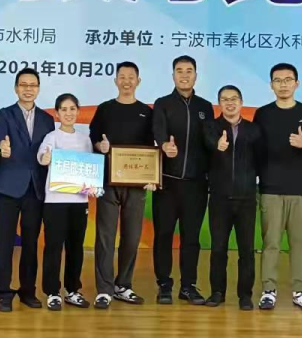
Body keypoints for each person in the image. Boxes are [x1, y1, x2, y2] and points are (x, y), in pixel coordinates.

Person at [255, 63, 302, 312]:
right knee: (271, 243)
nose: (283, 84)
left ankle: (300, 291)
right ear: (271, 85)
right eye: (278, 80)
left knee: (300, 244)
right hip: (271, 188)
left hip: (301, 189)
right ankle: (268, 290)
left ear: (297, 83)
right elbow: (255, 150)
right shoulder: (263, 114)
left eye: (288, 80)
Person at [89, 61, 156, 309]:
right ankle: (104, 289)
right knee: (105, 236)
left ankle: (123, 285)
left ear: (138, 81)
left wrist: (151, 175)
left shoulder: (147, 112)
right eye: (122, 76)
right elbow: (94, 139)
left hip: (136, 184)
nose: (126, 81)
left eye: (131, 77)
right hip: (108, 181)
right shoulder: (105, 109)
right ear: (115, 80)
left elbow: (151, 148)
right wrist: (101, 146)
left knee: (132, 236)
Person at [0, 68, 53, 312]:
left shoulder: (47, 119)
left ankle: (28, 291)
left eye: (32, 85)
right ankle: (4, 293)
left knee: (30, 243)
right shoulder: (5, 114)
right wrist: (2, 146)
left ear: (38, 88)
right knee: (5, 242)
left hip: (35, 188)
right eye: (23, 85)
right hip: (8, 186)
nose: (28, 89)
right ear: (16, 88)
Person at [152, 55, 214, 305]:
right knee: (164, 234)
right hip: (167, 183)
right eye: (179, 71)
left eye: (189, 71)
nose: (184, 75)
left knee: (191, 237)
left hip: (196, 184)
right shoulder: (163, 104)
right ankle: (164, 285)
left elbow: (209, 142)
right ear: (173, 75)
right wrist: (164, 145)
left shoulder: (205, 107)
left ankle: (188, 286)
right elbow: (158, 131)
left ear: (196, 76)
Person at [203, 85, 262, 311]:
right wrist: (217, 146)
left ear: (241, 102)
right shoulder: (211, 126)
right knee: (218, 248)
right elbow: (207, 144)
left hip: (246, 199)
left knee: (246, 250)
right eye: (225, 99)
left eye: (234, 99)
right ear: (219, 103)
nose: (230, 103)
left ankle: (245, 295)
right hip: (219, 198)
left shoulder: (253, 130)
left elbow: (261, 159)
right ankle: (217, 292)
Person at [37, 94, 94, 311]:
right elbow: (42, 157)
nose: (68, 113)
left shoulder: (85, 139)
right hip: (55, 202)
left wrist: (92, 187)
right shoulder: (51, 137)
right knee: (53, 247)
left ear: (78, 111)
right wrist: (45, 158)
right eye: (64, 109)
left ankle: (72, 290)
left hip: (79, 202)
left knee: (76, 247)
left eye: (72, 109)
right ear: (57, 113)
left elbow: (90, 169)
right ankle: (52, 292)